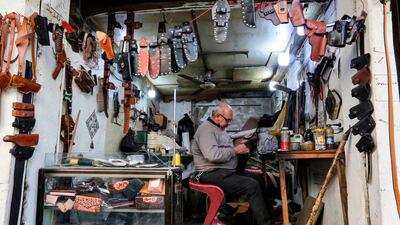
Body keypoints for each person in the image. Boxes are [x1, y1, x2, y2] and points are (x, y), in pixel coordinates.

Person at [192, 101, 273, 225]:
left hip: (225, 171)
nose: (229, 123)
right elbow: (213, 155)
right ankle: (266, 223)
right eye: (228, 120)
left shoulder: (220, 128)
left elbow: (224, 146)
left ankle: (267, 216)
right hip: (210, 173)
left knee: (259, 179)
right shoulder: (206, 130)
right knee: (252, 185)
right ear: (218, 116)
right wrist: (236, 150)